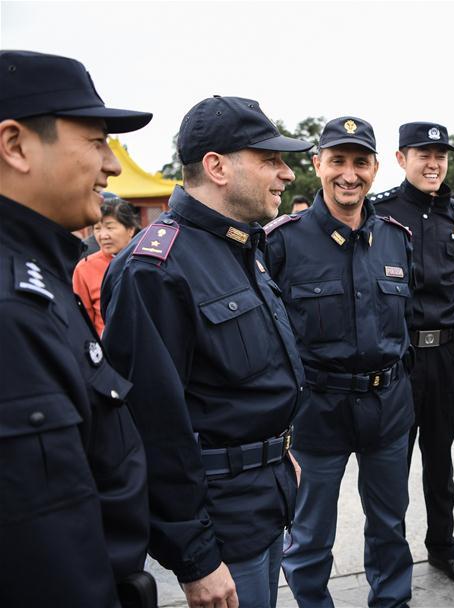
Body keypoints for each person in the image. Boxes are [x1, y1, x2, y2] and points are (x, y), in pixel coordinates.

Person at [101, 95, 311, 608]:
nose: (285, 174)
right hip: (221, 523)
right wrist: (195, 557)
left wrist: (280, 450)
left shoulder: (243, 245)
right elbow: (151, 427)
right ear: (216, 166)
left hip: (265, 497)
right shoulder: (155, 268)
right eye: (270, 159)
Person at [0, 50, 153, 607]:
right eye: (95, 141)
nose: (112, 165)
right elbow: (46, 555)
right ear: (15, 145)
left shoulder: (39, 274)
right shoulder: (12, 309)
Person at [269, 117, 415, 608]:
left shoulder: (396, 238)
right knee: (309, 536)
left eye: (359, 162)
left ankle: (392, 602)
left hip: (388, 408)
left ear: (375, 168)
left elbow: (404, 326)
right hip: (317, 413)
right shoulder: (281, 241)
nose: (348, 174)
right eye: (337, 161)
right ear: (317, 165)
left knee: (391, 526)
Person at [369, 121, 454, 585]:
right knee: (392, 465)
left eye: (441, 155)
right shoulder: (379, 212)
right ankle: (392, 566)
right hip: (400, 357)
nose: (433, 164)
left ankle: (443, 548)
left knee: (440, 459)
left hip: (448, 357)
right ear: (401, 159)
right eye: (423, 154)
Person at [73, 196, 141, 334]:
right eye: (97, 228)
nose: (103, 235)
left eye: (110, 227)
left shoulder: (148, 260)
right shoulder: (85, 268)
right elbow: (82, 321)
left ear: (130, 229)